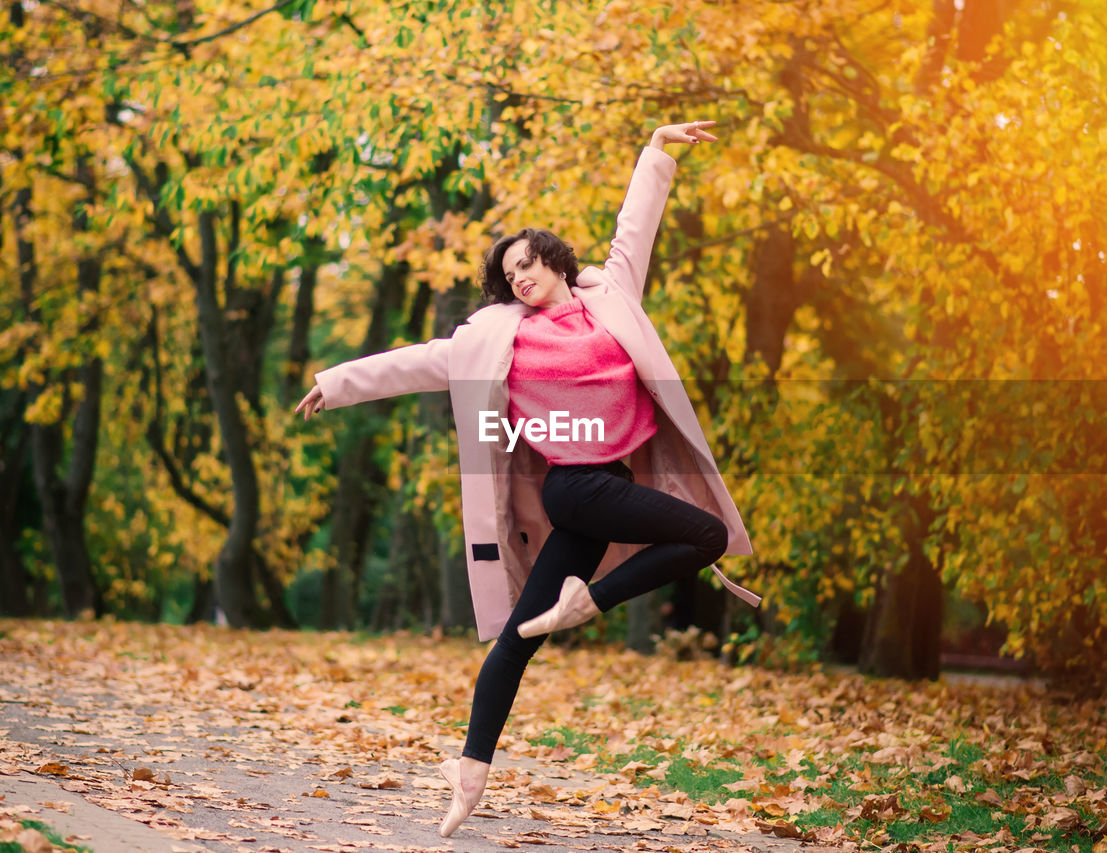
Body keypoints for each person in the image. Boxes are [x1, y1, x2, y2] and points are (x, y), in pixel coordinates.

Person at [294, 120, 760, 838]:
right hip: (573, 488)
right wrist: (337, 382)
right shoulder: (495, 336)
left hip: (603, 488)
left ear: (553, 259)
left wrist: (658, 151)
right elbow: (417, 361)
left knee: (522, 635)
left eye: (526, 263)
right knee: (701, 536)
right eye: (508, 273)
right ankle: (559, 646)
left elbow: (634, 230)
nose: (518, 276)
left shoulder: (610, 297)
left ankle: (483, 749)